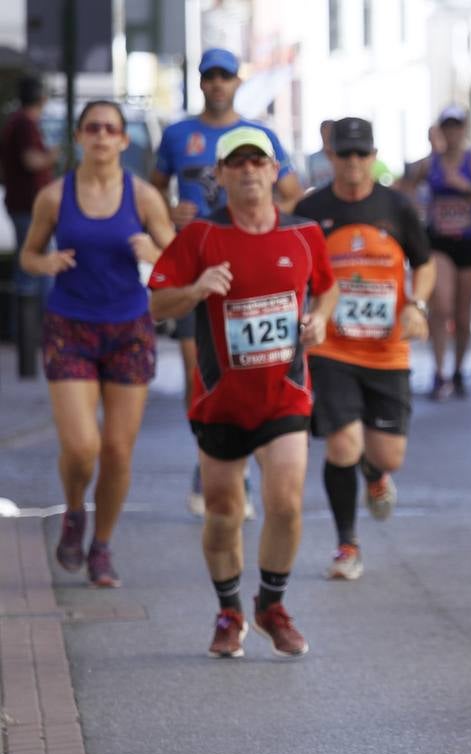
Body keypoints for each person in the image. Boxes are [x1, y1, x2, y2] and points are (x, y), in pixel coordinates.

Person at [148, 126, 338, 659]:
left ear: (275, 171)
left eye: (260, 161)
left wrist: (319, 320)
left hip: (285, 394)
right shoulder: (200, 238)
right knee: (224, 512)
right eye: (239, 163)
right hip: (221, 401)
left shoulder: (304, 234)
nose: (250, 170)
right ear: (223, 175)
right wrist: (195, 289)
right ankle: (229, 610)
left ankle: (271, 605)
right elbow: (157, 304)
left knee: (285, 504)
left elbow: (327, 287)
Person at [19, 100, 174, 586]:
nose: (102, 136)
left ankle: (102, 546)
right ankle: (72, 512)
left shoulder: (144, 195)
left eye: (111, 129)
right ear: (80, 138)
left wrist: (155, 251)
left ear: (124, 140)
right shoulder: (54, 195)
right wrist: (43, 265)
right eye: (93, 128)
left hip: (129, 328)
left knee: (118, 451)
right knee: (83, 446)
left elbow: (177, 259)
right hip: (70, 326)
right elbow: (28, 253)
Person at [152, 47, 303, 516]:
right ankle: (211, 461)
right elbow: (152, 188)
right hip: (199, 264)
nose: (217, 83)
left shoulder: (260, 135)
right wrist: (169, 215)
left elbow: (293, 193)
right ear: (200, 84)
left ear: (238, 82)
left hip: (252, 266)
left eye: (225, 76)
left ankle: (253, 467)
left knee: (254, 364)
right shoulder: (179, 134)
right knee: (201, 367)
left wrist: (269, 228)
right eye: (209, 76)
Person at [294, 117, 435, 580]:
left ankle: (376, 475)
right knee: (342, 445)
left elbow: (425, 264)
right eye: (344, 154)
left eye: (362, 154)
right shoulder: (311, 209)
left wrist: (417, 304)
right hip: (331, 349)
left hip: (387, 351)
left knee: (388, 455)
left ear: (374, 157)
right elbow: (293, 271)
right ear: (330, 156)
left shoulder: (396, 207)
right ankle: (346, 545)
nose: (353, 163)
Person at [401, 104, 471, 400]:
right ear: (441, 130)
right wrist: (416, 207)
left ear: (464, 130)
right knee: (441, 305)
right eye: (447, 127)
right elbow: (405, 189)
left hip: (469, 242)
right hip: (439, 242)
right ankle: (439, 372)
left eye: (457, 127)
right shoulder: (429, 164)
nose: (452, 133)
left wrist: (466, 187)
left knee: (462, 312)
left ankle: (458, 370)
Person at [1, 75, 58, 324]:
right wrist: (52, 156)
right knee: (37, 264)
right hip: (29, 205)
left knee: (30, 264)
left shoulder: (17, 121)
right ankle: (36, 326)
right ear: (40, 97)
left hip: (24, 203)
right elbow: (31, 160)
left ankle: (28, 327)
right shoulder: (24, 123)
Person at [306, 119, 336, 190]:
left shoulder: (341, 157)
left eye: (329, 131)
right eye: (324, 130)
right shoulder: (313, 158)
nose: (327, 134)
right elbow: (310, 183)